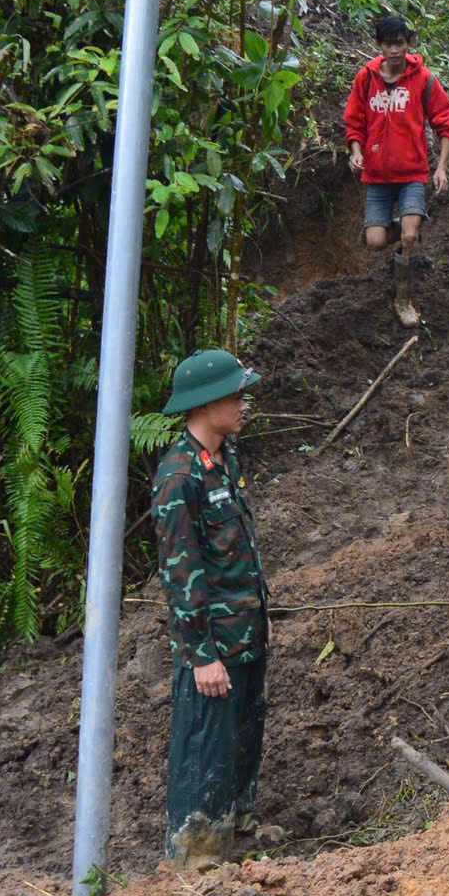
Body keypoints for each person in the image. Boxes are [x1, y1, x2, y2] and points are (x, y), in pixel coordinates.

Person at [151, 348, 272, 865]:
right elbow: (182, 574)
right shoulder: (179, 477)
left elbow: (240, 550)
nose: (245, 404)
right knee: (205, 751)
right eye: (236, 395)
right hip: (213, 644)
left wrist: (263, 619)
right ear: (204, 403)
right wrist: (200, 654)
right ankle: (195, 861)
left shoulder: (226, 459)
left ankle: (236, 832)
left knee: (243, 740)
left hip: (246, 632)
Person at [341, 15, 449, 327]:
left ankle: (403, 298)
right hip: (378, 175)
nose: (395, 50)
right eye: (388, 43)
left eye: (400, 43)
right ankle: (407, 226)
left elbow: (445, 123)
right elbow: (354, 121)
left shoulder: (424, 80)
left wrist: (441, 167)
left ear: (409, 44)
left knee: (409, 235)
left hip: (412, 173)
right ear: (379, 45)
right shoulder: (365, 78)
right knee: (376, 242)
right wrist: (356, 152)